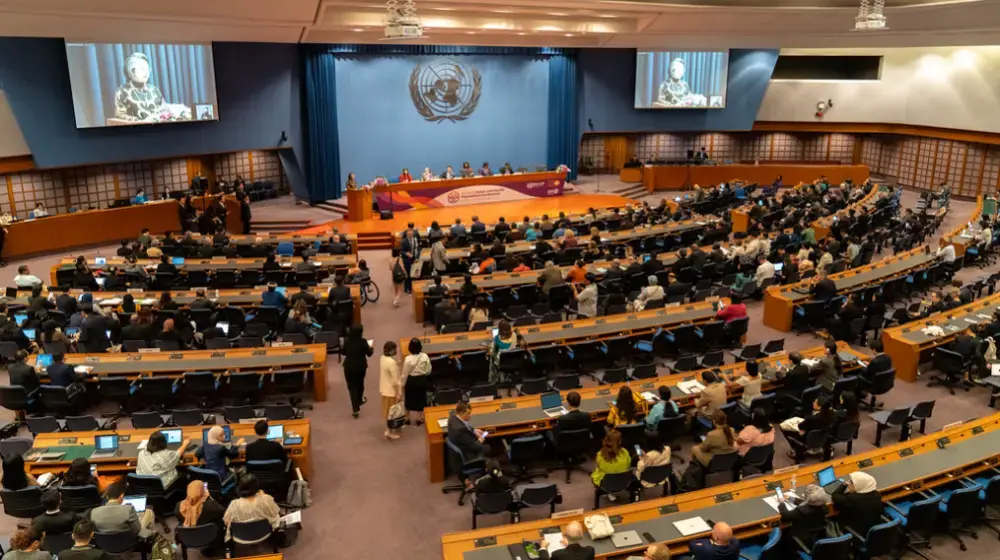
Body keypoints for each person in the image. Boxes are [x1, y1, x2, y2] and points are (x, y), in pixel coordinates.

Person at [223, 475, 281, 542]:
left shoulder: (234, 504)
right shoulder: (265, 499)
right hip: (264, 534)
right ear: (256, 487)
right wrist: (264, 496)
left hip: (241, 537)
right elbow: (276, 513)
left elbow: (226, 522)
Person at [87, 481, 154, 538]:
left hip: (104, 545)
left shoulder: (94, 512)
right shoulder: (128, 509)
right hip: (127, 542)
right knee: (149, 512)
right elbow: (138, 530)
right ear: (122, 496)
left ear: (107, 496)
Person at [777, 484, 829, 550]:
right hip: (817, 535)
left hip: (802, 541)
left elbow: (786, 516)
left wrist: (781, 503)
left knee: (784, 531)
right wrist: (791, 498)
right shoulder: (823, 506)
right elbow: (810, 503)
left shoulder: (801, 511)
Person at [831, 472, 882, 537]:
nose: (849, 484)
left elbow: (835, 496)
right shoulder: (877, 495)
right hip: (874, 529)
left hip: (857, 532)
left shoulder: (851, 499)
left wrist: (844, 484)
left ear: (860, 484)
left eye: (852, 482)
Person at [343, 325, 373, 418]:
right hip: (360, 367)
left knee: (352, 387)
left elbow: (343, 352)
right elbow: (369, 353)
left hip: (348, 367)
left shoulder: (347, 341)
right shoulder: (363, 341)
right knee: (360, 385)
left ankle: (355, 408)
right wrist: (371, 347)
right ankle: (359, 400)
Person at [402, 337, 431, 426]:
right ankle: (419, 419)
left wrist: (402, 384)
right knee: (421, 399)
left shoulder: (407, 359)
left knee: (408, 399)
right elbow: (428, 370)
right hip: (421, 380)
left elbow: (405, 373)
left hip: (411, 380)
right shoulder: (425, 356)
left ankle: (407, 418)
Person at [380, 341, 403, 439]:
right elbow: (395, 381)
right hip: (391, 391)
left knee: (388, 411)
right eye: (394, 349)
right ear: (390, 351)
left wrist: (396, 364)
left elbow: (388, 368)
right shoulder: (391, 363)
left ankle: (394, 427)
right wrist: (398, 393)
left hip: (384, 389)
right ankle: (389, 431)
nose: (396, 351)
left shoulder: (382, 358)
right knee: (392, 412)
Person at [488, 320, 521, 385]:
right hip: (515, 361)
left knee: (492, 358)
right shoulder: (514, 336)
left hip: (503, 362)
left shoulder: (497, 338)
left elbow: (494, 352)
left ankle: (493, 381)